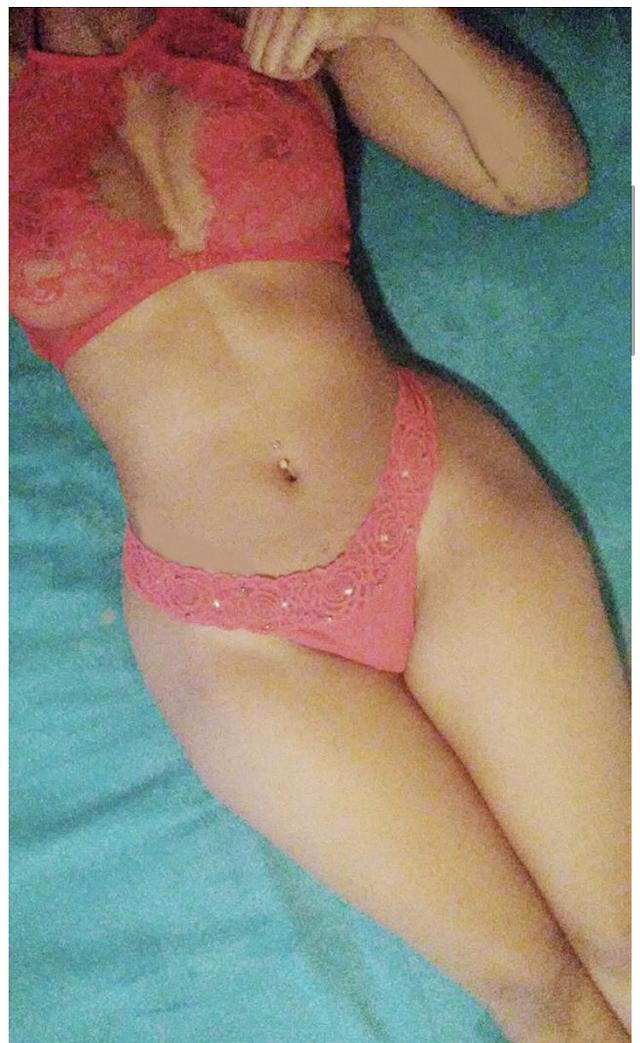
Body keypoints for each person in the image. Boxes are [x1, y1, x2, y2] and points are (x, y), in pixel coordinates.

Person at [9, 8, 630, 1041]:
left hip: (438, 509)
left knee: (627, 937)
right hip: (234, 635)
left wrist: (405, 15)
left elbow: (542, 178)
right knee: (540, 994)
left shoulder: (280, 15)